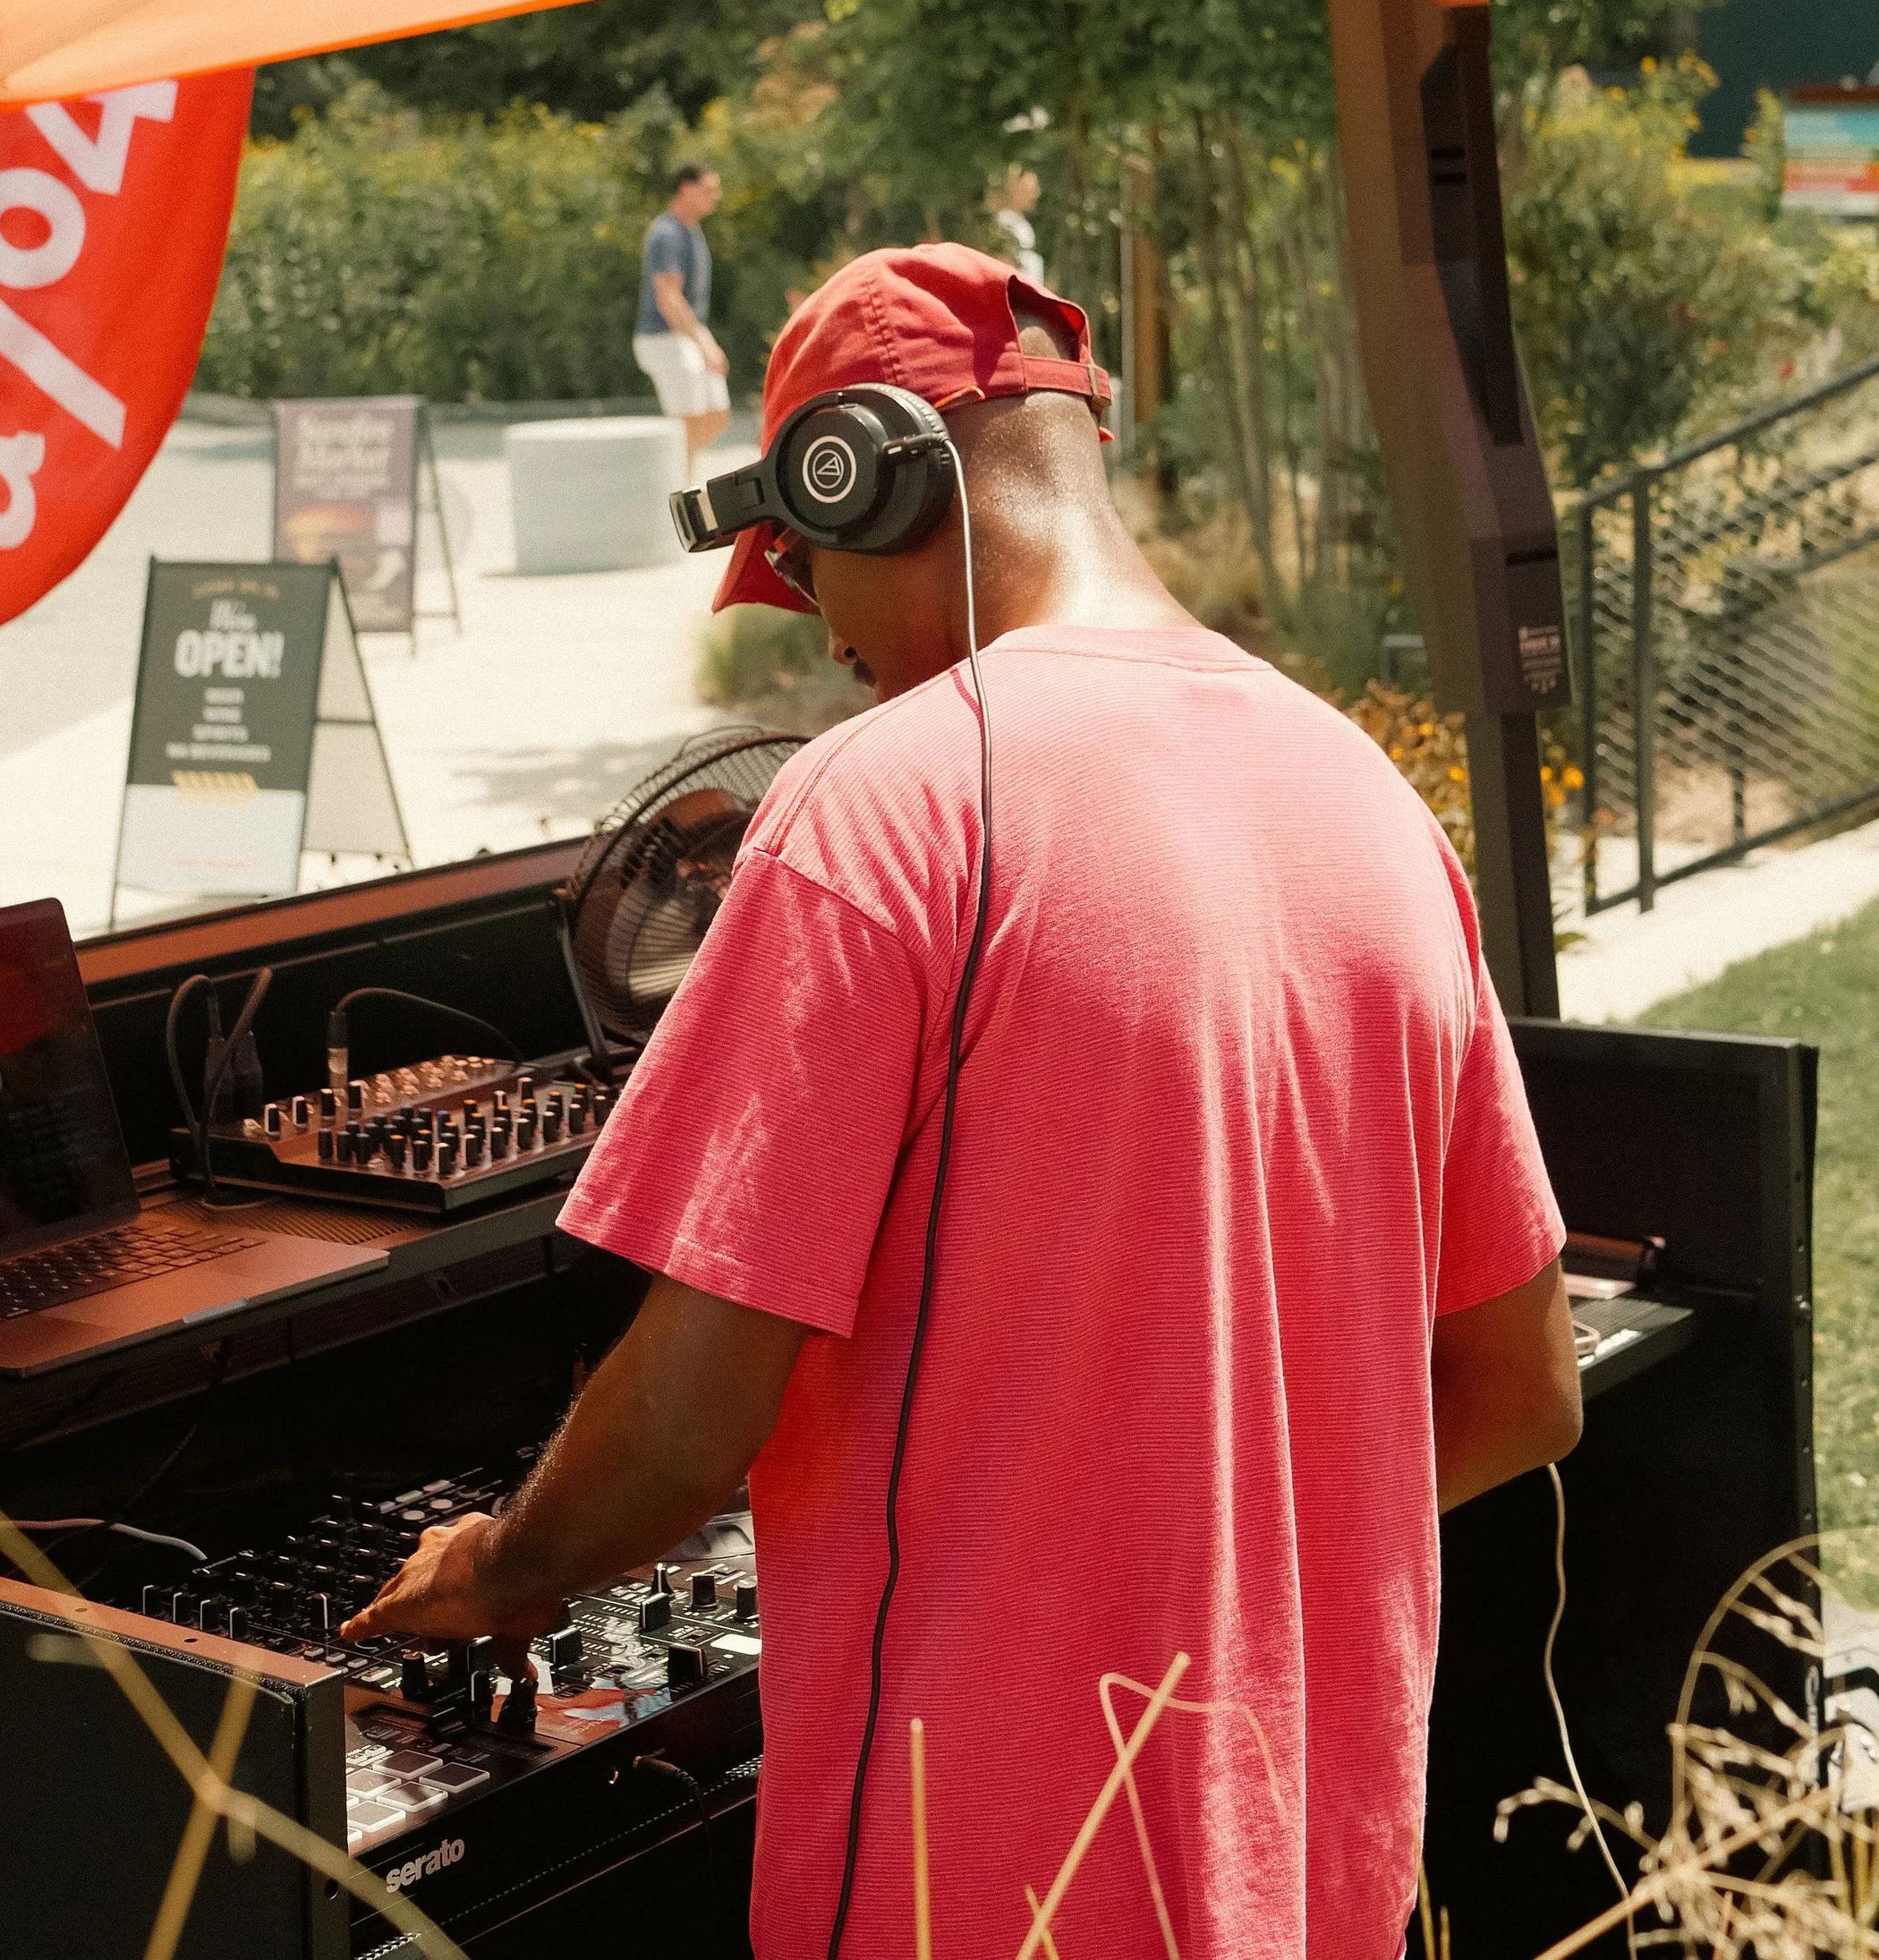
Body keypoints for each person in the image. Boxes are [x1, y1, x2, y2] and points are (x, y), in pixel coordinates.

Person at [346, 244, 1580, 1960]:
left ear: (865, 472)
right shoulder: (1368, 797)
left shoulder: (880, 812)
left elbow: (695, 1421)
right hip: (1315, 1882)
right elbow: (1521, 1396)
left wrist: (499, 1570)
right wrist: (1223, 1557)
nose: (831, 644)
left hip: (987, 1896)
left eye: (801, 571)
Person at [633, 159, 729, 473]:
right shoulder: (668, 233)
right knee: (686, 420)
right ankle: (678, 486)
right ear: (686, 189)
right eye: (708, 190)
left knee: (717, 413)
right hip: (664, 338)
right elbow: (668, 299)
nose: (715, 196)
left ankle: (664, 470)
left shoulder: (691, 231)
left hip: (688, 334)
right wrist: (703, 344)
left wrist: (701, 340)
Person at [988, 162, 1044, 282]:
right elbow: (1002, 259)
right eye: (1029, 190)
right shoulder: (1005, 221)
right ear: (1015, 189)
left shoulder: (1019, 221)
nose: (1035, 195)